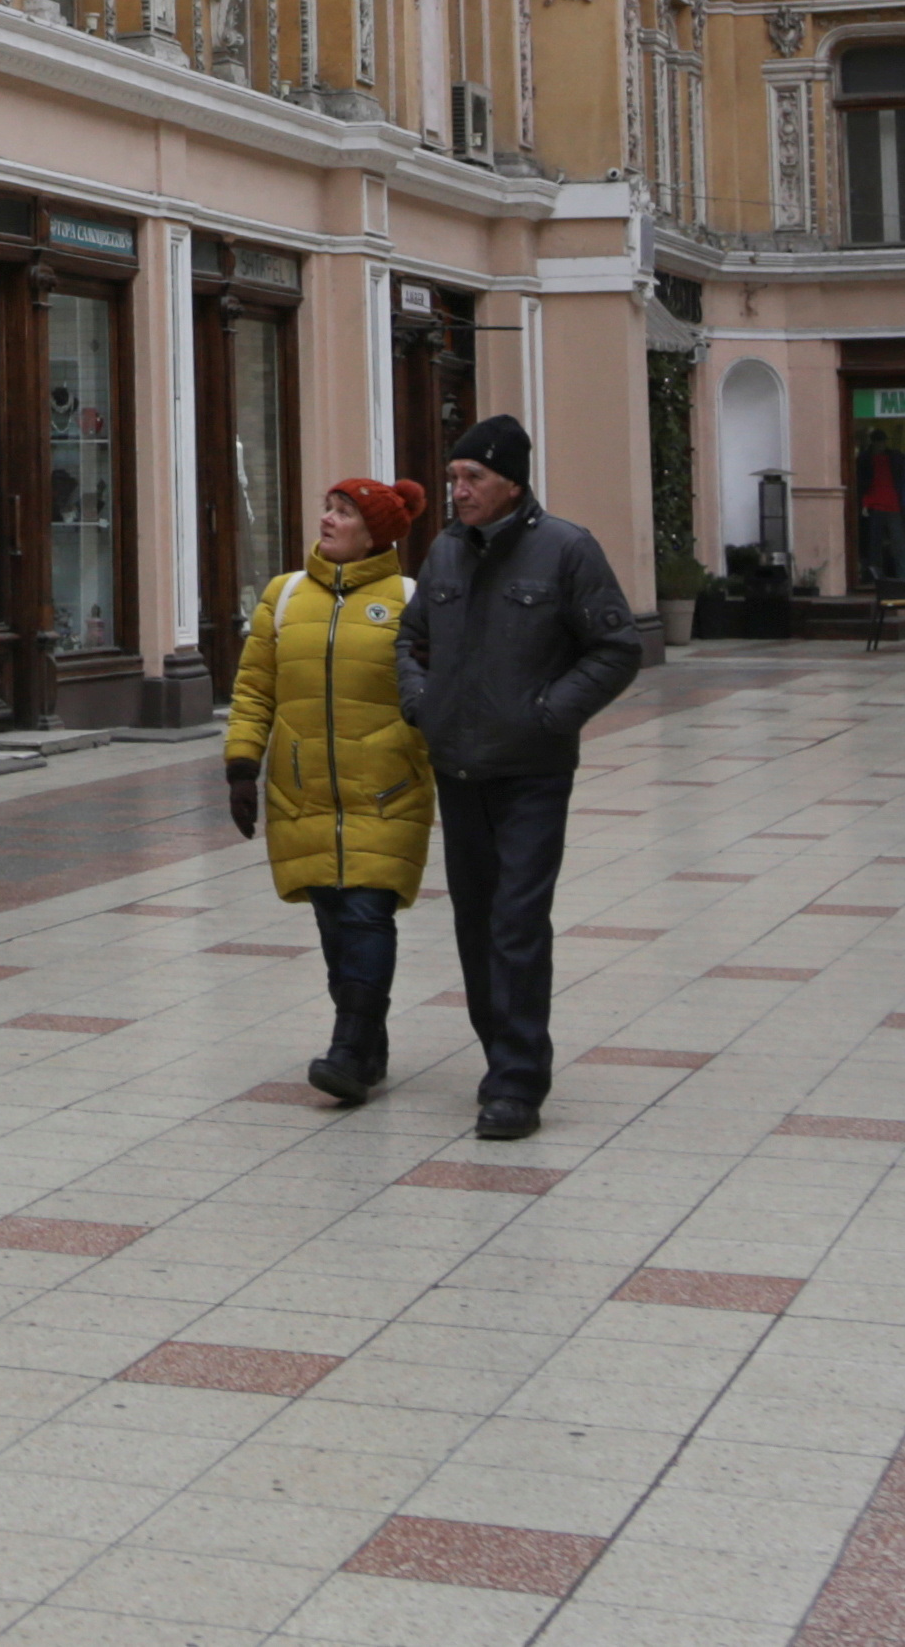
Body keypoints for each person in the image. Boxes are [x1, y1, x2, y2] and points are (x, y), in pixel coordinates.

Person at [398, 415, 645, 1140]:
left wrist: (549, 714)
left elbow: (615, 647)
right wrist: (423, 703)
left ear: (511, 480)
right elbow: (411, 641)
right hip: (459, 766)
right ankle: (498, 1053)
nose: (458, 490)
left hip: (532, 770)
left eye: (472, 477)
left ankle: (515, 1079)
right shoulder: (445, 552)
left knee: (516, 919)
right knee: (475, 921)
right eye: (453, 477)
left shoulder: (566, 549)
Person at [223, 476, 434, 1108]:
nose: (328, 519)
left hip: (386, 788)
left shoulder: (410, 601)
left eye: (344, 513)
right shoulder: (283, 596)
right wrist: (242, 764)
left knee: (366, 911)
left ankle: (348, 1048)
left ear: (376, 534)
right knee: (333, 918)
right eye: (329, 508)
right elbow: (256, 687)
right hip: (302, 788)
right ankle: (367, 1040)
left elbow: (436, 688)